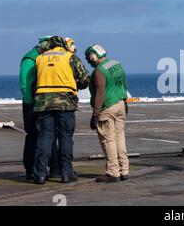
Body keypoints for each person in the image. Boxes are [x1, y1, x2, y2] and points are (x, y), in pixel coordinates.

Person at [32, 36, 89, 184]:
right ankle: (66, 173)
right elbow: (85, 79)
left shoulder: (40, 58)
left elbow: (34, 80)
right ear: (64, 45)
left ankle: (40, 174)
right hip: (66, 103)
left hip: (43, 103)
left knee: (45, 137)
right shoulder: (70, 57)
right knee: (65, 137)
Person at [85, 44, 130, 182]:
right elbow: (123, 84)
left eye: (88, 58)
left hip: (107, 107)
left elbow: (100, 92)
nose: (88, 61)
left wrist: (95, 114)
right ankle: (124, 170)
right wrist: (125, 102)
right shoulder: (116, 64)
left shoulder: (99, 71)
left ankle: (113, 172)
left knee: (108, 139)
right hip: (120, 104)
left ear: (93, 56)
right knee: (120, 137)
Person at [19, 36, 60, 181]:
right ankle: (31, 170)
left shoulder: (42, 58)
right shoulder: (30, 60)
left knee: (48, 135)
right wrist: (31, 104)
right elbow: (25, 83)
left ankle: (53, 168)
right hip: (33, 104)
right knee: (33, 136)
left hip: (43, 103)